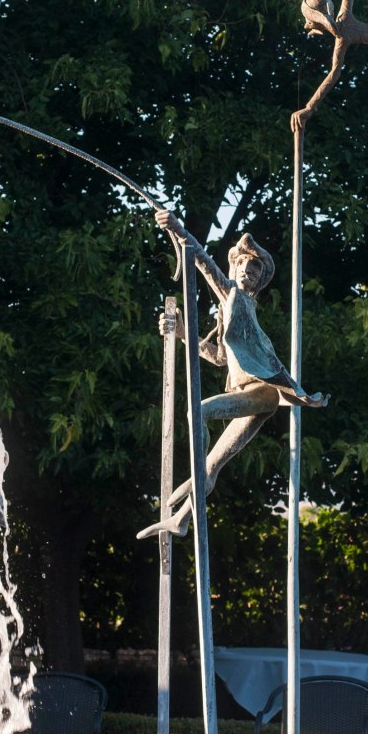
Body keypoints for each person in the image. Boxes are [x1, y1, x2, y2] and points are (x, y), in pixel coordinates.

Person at [137, 210, 328, 539]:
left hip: (264, 391)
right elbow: (221, 357)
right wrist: (184, 335)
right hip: (257, 397)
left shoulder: (235, 296)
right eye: (244, 266)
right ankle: (181, 520)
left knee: (197, 412)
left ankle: (195, 478)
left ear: (258, 281)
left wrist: (179, 229)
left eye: (256, 271)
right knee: (213, 464)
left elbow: (202, 262)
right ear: (236, 266)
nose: (248, 273)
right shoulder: (231, 307)